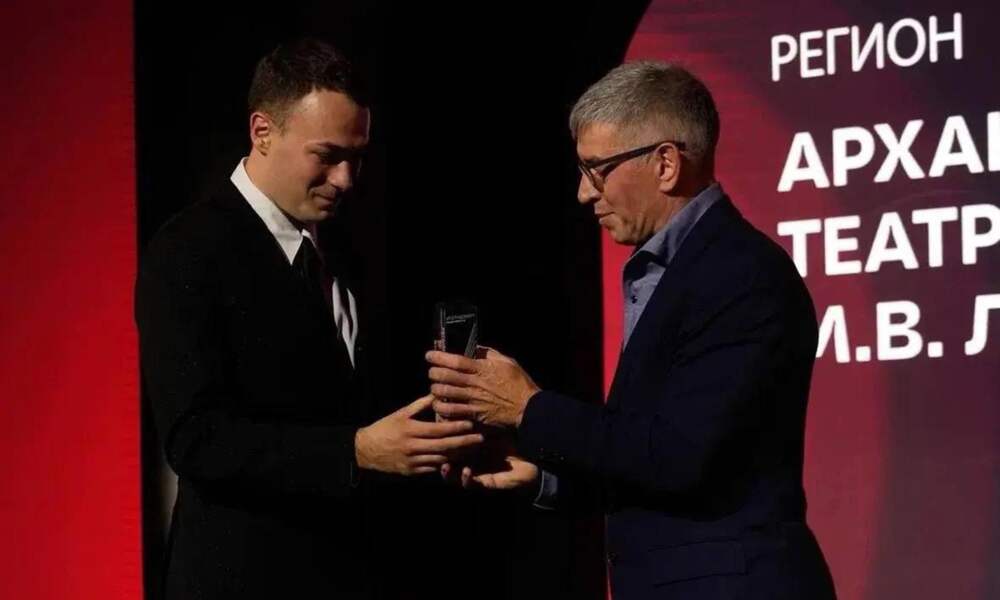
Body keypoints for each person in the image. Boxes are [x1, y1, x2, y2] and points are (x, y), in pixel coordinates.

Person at [427, 61, 837, 600]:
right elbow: (654, 462)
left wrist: (528, 407)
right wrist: (542, 476)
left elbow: (679, 456)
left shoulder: (743, 274)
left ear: (665, 164)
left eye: (596, 169)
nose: (583, 192)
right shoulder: (679, 269)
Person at [135, 38, 482, 599]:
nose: (346, 179)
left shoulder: (346, 248)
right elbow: (196, 439)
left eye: (357, 157)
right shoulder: (187, 250)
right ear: (262, 131)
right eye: (327, 155)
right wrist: (355, 451)